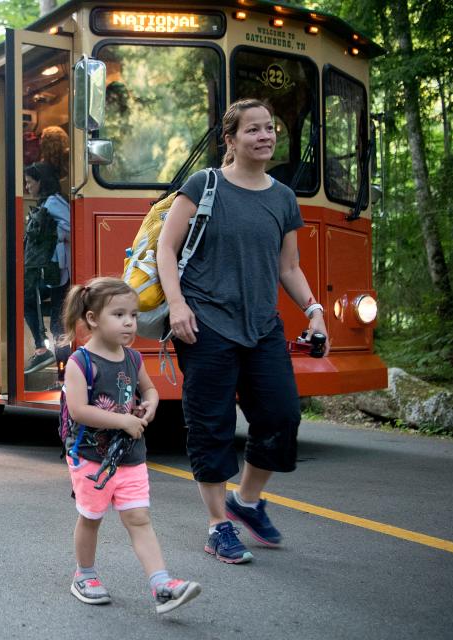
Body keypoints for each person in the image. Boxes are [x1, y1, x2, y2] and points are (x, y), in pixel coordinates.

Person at [157, 98, 330, 563]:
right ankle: (218, 526)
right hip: (205, 323)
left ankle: (245, 501)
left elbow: (288, 267)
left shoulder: (283, 197)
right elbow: (166, 248)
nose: (266, 136)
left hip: (262, 326)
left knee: (281, 416)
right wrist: (177, 305)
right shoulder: (204, 184)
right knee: (211, 426)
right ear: (230, 141)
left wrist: (313, 308)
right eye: (253, 129)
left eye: (270, 128)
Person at [60, 276, 201, 615]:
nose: (129, 322)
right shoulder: (80, 362)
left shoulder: (133, 359)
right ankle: (85, 575)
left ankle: (162, 584)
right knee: (91, 518)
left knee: (138, 518)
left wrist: (150, 404)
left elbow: (150, 391)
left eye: (134, 315)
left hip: (131, 455)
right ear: (93, 319)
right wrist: (123, 420)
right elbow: (79, 410)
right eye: (119, 314)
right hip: (91, 457)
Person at [23, 162, 71, 374]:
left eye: (29, 182)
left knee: (58, 325)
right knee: (56, 322)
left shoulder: (53, 202)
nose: (27, 187)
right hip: (54, 271)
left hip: (60, 270)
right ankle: (58, 367)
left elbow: (71, 227)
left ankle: (60, 369)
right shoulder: (50, 202)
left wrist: (53, 234)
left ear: (40, 182)